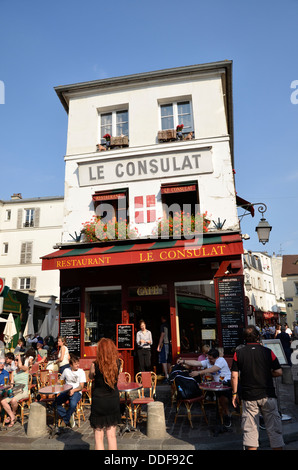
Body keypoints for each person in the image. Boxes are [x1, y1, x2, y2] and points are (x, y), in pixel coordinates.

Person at [231, 325, 284, 450]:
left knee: (250, 431)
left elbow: (234, 376)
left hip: (249, 396)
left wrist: (234, 394)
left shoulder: (238, 353)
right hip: (268, 394)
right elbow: (279, 372)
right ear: (258, 336)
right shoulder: (268, 351)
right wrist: (267, 373)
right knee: (274, 430)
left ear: (244, 338)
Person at [177, 348, 232, 427]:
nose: (209, 360)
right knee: (217, 398)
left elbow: (212, 369)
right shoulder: (208, 360)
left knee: (222, 398)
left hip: (227, 383)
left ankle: (227, 415)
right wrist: (184, 361)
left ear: (216, 358)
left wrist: (198, 372)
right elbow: (197, 363)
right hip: (217, 384)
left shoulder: (221, 360)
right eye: (208, 358)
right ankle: (222, 415)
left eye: (211, 359)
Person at [89, 338, 121, 450]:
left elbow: (90, 377)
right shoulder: (118, 363)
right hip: (113, 400)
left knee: (98, 437)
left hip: (99, 401)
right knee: (112, 436)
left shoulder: (94, 365)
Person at [55, 354, 85, 428]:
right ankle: (68, 416)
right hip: (66, 391)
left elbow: (81, 386)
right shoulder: (66, 370)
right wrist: (55, 383)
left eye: (78, 363)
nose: (78, 365)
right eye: (75, 364)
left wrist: (73, 390)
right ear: (71, 365)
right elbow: (60, 381)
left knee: (73, 405)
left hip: (77, 391)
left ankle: (65, 419)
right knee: (55, 403)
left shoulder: (81, 372)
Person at [1, 354, 29, 427]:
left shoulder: (25, 369)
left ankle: (13, 415)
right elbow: (12, 384)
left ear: (20, 361)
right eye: (15, 360)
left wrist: (19, 357)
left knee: (13, 400)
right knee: (3, 401)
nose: (15, 362)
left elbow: (20, 366)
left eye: (16, 361)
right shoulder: (14, 372)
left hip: (23, 391)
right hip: (15, 391)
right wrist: (7, 387)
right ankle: (12, 416)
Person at [157, 315, 172, 383]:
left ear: (163, 319)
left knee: (164, 360)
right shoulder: (170, 324)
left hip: (165, 344)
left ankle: (166, 376)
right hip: (170, 344)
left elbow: (162, 335)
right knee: (168, 360)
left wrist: (159, 345)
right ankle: (170, 375)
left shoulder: (163, 326)